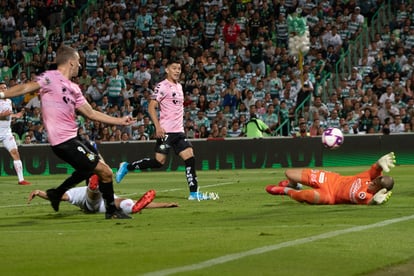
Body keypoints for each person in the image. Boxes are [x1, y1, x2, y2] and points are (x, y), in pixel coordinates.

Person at [0, 45, 136, 219]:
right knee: (105, 172)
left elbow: (91, 113)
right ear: (71, 62)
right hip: (64, 142)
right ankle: (110, 210)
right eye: (78, 62)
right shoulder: (50, 78)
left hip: (75, 137)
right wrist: (2, 95)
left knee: (92, 171)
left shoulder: (74, 88)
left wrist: (119, 121)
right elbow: (25, 88)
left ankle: (58, 194)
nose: (80, 66)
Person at [115, 58, 215, 201]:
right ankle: (127, 167)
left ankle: (194, 193)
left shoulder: (179, 87)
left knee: (190, 157)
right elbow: (151, 106)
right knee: (159, 162)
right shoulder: (162, 86)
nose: (177, 71)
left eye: (179, 69)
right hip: (166, 131)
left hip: (179, 132)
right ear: (167, 70)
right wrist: (158, 127)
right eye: (174, 68)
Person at [266, 152, 396, 205]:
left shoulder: (367, 197)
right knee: (289, 173)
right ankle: (293, 184)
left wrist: (375, 202)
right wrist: (380, 162)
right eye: (377, 179)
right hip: (330, 179)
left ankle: (285, 191)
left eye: (378, 183)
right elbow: (377, 168)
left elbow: (370, 203)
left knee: (304, 195)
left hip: (329, 195)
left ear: (380, 190)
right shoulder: (369, 176)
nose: (374, 181)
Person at [27, 175, 178, 214]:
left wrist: (166, 204)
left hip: (94, 205)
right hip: (96, 202)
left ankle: (133, 209)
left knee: (123, 203)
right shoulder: (76, 192)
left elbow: (59, 196)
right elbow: (60, 196)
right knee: (119, 201)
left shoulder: (75, 192)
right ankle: (96, 186)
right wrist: (40, 193)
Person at [0, 82, 31, 185]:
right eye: (1, 88)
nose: (4, 89)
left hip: (6, 132)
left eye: (5, 88)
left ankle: (21, 180)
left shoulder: (9, 101)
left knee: (15, 153)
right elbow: (3, 115)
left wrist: (16, 115)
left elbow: (8, 116)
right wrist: (2, 115)